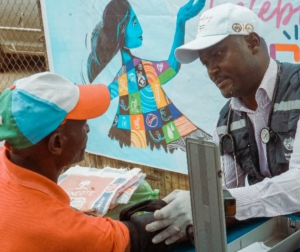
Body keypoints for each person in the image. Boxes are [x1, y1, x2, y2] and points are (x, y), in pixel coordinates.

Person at [145, 3, 300, 245]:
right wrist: (183, 213)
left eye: (217, 54)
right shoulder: (226, 121)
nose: (212, 70)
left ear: (252, 43)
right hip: (279, 234)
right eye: (205, 62)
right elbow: (226, 190)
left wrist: (215, 205)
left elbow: (298, 187)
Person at [0, 72, 168, 252]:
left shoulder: (8, 154)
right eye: (82, 123)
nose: (87, 128)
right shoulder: (59, 227)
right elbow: (133, 237)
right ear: (57, 143)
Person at [87, 0, 211, 153]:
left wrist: (180, 22)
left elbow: (172, 66)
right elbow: (172, 67)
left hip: (146, 144)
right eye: (133, 22)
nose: (140, 28)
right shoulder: (126, 72)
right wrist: (180, 22)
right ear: (121, 29)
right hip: (136, 145)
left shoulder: (138, 68)